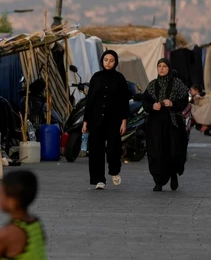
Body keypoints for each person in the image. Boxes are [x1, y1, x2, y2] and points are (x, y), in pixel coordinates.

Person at [81, 50, 130, 190]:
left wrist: (124, 120)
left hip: (113, 120)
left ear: (116, 62)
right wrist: (85, 121)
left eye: (111, 60)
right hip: (96, 120)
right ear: (102, 61)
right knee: (96, 150)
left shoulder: (120, 79)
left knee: (113, 149)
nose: (108, 63)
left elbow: (124, 101)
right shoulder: (96, 77)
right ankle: (99, 180)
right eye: (106, 60)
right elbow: (90, 100)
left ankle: (114, 170)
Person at [142, 58, 190, 192]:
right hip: (155, 124)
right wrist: (153, 106)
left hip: (173, 123)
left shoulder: (177, 84)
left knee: (173, 151)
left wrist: (172, 104)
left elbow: (185, 100)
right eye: (159, 66)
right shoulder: (152, 85)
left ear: (169, 68)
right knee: (156, 151)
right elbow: (145, 102)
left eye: (164, 66)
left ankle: (173, 174)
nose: (161, 69)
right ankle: (158, 181)